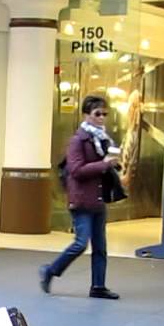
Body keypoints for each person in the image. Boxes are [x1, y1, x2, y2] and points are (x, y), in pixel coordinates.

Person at [39, 95, 120, 299]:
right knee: (81, 242)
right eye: (97, 114)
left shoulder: (103, 139)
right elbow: (75, 170)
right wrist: (104, 164)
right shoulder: (78, 140)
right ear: (86, 115)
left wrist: (113, 164)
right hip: (82, 199)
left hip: (98, 198)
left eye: (105, 114)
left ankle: (98, 286)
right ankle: (50, 270)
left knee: (100, 246)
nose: (102, 118)